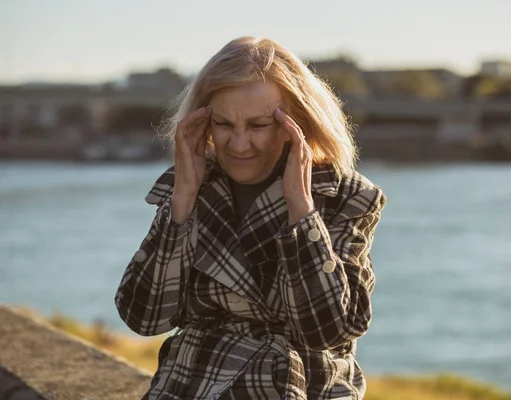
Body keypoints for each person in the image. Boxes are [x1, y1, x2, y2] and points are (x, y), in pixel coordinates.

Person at [114, 36, 386, 399]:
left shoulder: (348, 197)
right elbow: (143, 318)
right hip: (194, 385)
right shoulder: (189, 188)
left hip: (307, 387)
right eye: (224, 125)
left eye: (258, 126)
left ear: (298, 123)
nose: (239, 145)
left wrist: (301, 210)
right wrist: (182, 201)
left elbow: (329, 330)